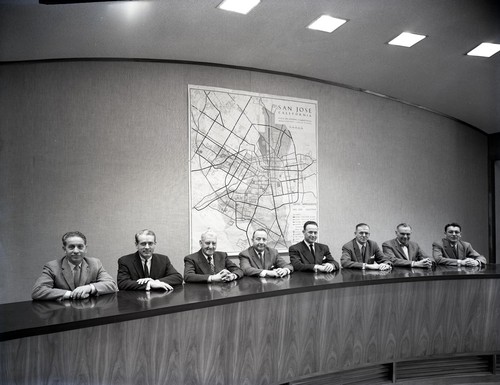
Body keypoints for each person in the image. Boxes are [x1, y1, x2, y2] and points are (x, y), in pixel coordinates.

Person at [32, 231, 117, 301]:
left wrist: (89, 288)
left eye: (80, 247)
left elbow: (112, 285)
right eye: (71, 247)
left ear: (85, 248)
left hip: (88, 313)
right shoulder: (52, 267)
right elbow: (38, 291)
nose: (76, 251)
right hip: (63, 313)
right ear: (64, 249)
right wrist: (71, 294)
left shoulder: (95, 263)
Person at [117, 229, 183, 291]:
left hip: (158, 300)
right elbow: (122, 283)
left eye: (150, 243)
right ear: (136, 245)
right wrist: (149, 284)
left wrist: (156, 282)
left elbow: (177, 277)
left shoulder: (163, 259)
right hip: (135, 301)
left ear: (155, 244)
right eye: (143, 244)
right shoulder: (125, 261)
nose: (147, 247)